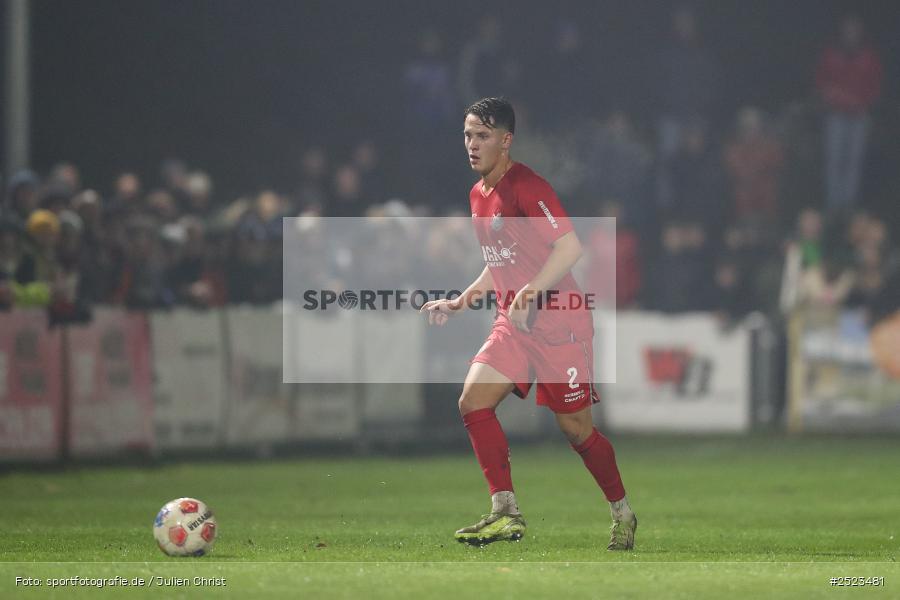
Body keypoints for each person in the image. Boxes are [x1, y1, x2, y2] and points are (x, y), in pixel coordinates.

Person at [420, 98, 636, 549]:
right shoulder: (477, 196)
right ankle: (505, 512)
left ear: (506, 140)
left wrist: (533, 290)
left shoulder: (528, 186)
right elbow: (498, 261)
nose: (472, 145)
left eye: (482, 135)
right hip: (514, 322)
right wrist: (461, 301)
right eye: (467, 135)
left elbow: (569, 248)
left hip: (561, 322)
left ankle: (622, 512)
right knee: (472, 402)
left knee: (576, 430)